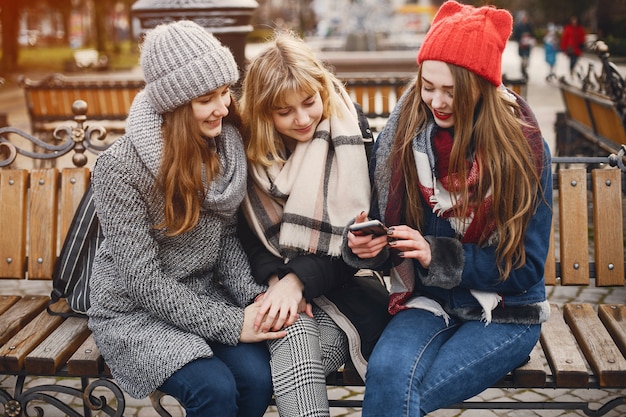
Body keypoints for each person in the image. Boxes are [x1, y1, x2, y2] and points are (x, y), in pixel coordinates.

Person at [342, 1, 553, 416]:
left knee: (396, 400)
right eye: (428, 86)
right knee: (387, 379)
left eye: (451, 91)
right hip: (429, 301)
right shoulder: (404, 140)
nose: (436, 101)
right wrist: (374, 247)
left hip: (508, 312)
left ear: (480, 87)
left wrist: (436, 255)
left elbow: (526, 266)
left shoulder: (522, 150)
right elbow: (395, 234)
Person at [87, 20, 286, 417]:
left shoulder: (224, 148)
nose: (225, 106)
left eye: (225, 91)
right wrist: (233, 324)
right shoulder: (120, 168)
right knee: (213, 390)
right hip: (134, 311)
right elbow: (143, 281)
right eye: (207, 99)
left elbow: (224, 238)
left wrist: (254, 299)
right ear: (175, 106)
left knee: (258, 381)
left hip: (203, 295)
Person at [238, 30, 390, 417]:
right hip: (272, 291)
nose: (303, 119)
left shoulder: (350, 132)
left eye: (309, 102)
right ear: (262, 112)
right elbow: (248, 236)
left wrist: (296, 281)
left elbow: (360, 239)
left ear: (321, 88)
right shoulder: (248, 149)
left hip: (348, 285)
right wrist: (278, 281)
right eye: (284, 112)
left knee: (276, 362)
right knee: (295, 333)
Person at [512, 11, 535, 79]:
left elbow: (533, 34)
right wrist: (521, 36)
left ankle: (525, 71)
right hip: (521, 46)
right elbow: (515, 36)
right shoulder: (519, 26)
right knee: (523, 60)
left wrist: (529, 35)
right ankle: (523, 72)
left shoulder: (529, 25)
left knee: (527, 60)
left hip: (528, 45)